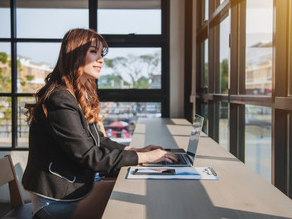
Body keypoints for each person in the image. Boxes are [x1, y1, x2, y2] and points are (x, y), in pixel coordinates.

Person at [22, 28, 178, 219]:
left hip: (75, 190)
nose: (101, 60)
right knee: (132, 193)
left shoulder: (75, 95)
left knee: (132, 187)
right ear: (75, 54)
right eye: (93, 52)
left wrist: (138, 151)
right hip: (56, 203)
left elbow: (100, 141)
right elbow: (90, 156)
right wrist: (145, 158)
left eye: (101, 53)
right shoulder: (59, 99)